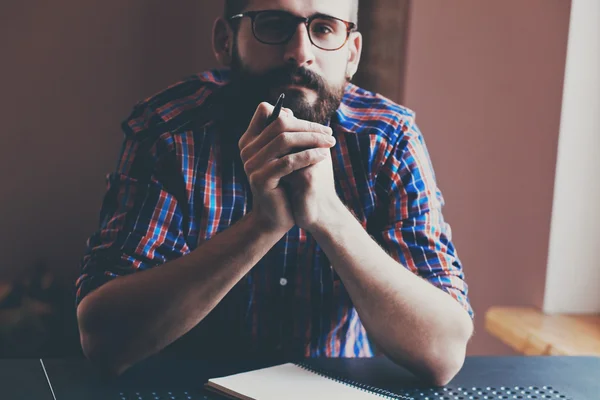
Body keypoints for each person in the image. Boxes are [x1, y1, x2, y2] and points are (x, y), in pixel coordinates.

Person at [75, 0, 474, 386]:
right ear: (226, 40)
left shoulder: (389, 140)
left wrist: (328, 215)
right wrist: (264, 224)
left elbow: (443, 353)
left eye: (324, 29)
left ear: (352, 54)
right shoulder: (167, 132)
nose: (299, 53)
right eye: (272, 25)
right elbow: (104, 341)